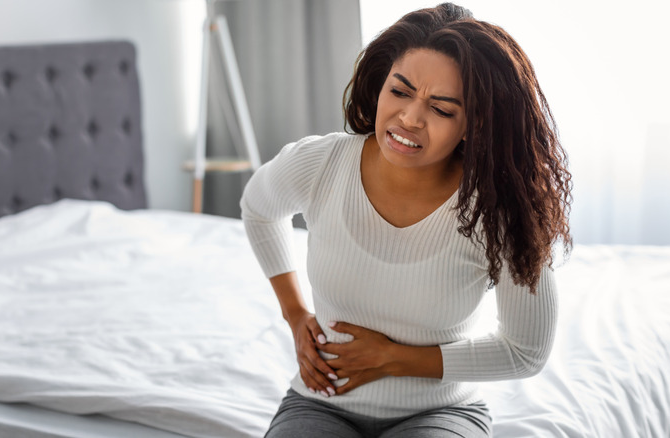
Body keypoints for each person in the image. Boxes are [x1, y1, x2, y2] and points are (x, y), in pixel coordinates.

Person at [240, 3, 572, 437]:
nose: (410, 118)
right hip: (319, 404)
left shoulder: (499, 209)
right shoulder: (322, 163)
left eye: (442, 109)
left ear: (474, 125)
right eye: (400, 91)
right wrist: (296, 316)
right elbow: (258, 208)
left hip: (440, 412)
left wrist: (392, 359)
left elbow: (527, 352)